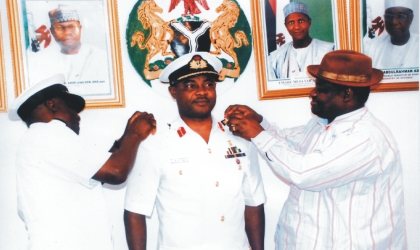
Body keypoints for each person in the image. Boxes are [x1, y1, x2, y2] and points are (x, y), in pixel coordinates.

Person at [225, 50, 407, 249]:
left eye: (321, 88)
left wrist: (258, 133)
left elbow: (303, 172)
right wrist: (260, 122)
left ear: (347, 94)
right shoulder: (321, 125)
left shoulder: (366, 137)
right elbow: (286, 140)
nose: (312, 93)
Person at [124, 52, 266, 250]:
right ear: (173, 92)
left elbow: (254, 203)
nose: (202, 92)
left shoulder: (240, 138)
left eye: (208, 84)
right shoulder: (155, 142)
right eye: (191, 85)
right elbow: (135, 211)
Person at [8, 74, 156, 249]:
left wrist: (126, 136)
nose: (78, 116)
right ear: (52, 105)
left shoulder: (39, 138)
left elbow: (100, 169)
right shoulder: (49, 134)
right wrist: (135, 134)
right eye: (71, 108)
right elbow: (115, 172)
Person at [27, 5, 109, 94]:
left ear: (80, 28)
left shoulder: (101, 57)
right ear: (52, 31)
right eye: (60, 28)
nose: (67, 32)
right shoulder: (42, 61)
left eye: (71, 26)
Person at [268, 1, 334, 79]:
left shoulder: (329, 51)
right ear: (286, 26)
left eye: (301, 21)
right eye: (291, 22)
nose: (297, 27)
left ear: (309, 22)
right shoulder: (275, 57)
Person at [364, 0, 418, 68]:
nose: (394, 22)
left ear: (411, 18)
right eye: (389, 16)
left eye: (400, 16)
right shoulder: (373, 47)